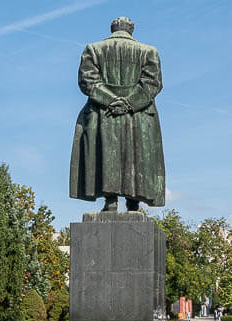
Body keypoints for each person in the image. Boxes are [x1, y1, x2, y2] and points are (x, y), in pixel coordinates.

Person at [69, 17, 165, 211]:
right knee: (135, 157)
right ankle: (133, 202)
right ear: (131, 30)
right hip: (138, 113)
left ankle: (110, 201)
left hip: (103, 111)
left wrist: (111, 101)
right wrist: (129, 103)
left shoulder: (93, 49)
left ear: (112, 29)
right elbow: (152, 84)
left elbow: (88, 81)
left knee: (107, 155)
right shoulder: (149, 52)